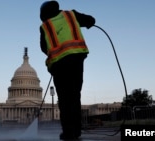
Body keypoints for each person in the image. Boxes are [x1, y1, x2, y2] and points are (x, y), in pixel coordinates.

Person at [39, 1, 95, 140]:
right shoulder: (70, 15)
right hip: (76, 60)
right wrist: (88, 24)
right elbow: (90, 20)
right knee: (75, 96)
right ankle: (76, 131)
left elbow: (43, 47)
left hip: (59, 65)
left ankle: (67, 132)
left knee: (64, 99)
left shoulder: (45, 26)